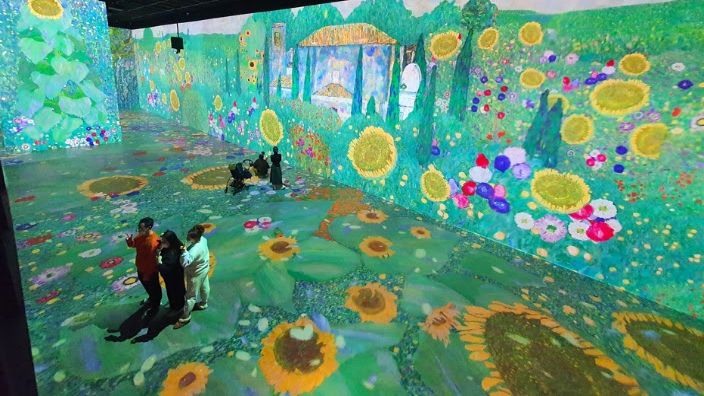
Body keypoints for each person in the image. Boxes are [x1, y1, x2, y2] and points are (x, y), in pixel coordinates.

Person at [175, 225, 210, 329]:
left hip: (195, 273)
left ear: (194, 238)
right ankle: (204, 303)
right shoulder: (203, 239)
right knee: (205, 286)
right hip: (204, 268)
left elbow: (185, 263)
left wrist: (184, 251)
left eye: (189, 237)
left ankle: (185, 317)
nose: (187, 238)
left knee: (190, 296)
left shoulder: (194, 250)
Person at [126, 217, 161, 309]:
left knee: (154, 287)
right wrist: (129, 241)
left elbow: (152, 261)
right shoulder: (141, 235)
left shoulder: (153, 242)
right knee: (147, 287)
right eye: (139, 227)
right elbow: (134, 244)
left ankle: (155, 304)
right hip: (141, 267)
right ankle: (152, 299)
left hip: (150, 271)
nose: (139, 230)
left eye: (141, 228)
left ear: (149, 227)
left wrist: (147, 274)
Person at [157, 231, 186, 312]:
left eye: (164, 242)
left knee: (173, 292)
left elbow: (165, 269)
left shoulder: (171, 255)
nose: (162, 243)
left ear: (170, 241)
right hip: (178, 273)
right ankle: (179, 303)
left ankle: (176, 308)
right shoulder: (176, 244)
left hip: (172, 277)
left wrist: (159, 262)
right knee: (180, 289)